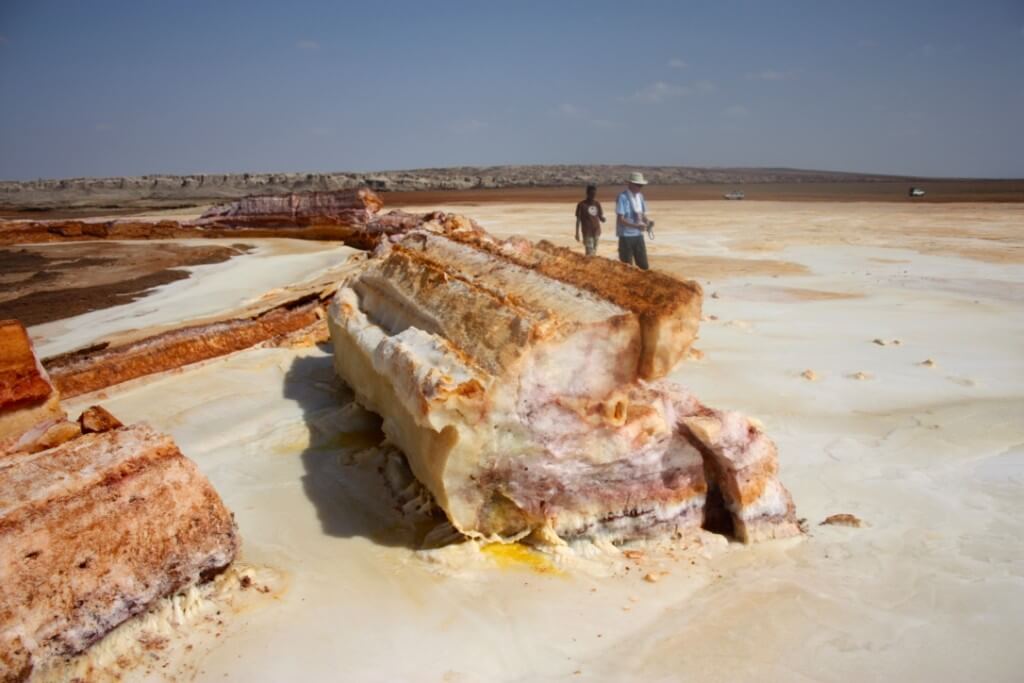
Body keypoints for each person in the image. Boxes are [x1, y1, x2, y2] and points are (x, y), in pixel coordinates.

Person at [616, 171, 653, 270]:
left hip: (638, 236)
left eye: (641, 186)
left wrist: (648, 222)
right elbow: (620, 220)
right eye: (638, 185)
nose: (639, 188)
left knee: (644, 266)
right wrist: (636, 226)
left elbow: (642, 214)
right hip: (626, 237)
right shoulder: (622, 197)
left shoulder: (640, 197)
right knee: (627, 267)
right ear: (630, 184)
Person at [574, 184, 605, 256]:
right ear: (587, 194)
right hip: (587, 232)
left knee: (594, 251)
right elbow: (578, 220)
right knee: (589, 253)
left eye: (594, 194)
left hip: (596, 231)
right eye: (591, 194)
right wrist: (577, 233)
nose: (593, 196)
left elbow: (600, 216)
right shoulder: (581, 205)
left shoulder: (597, 204)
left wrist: (603, 219)